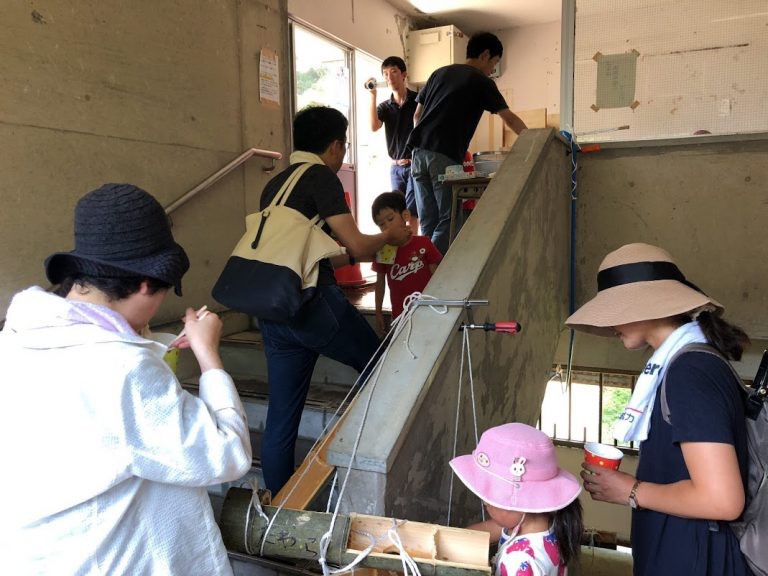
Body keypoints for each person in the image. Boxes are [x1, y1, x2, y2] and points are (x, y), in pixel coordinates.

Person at [0, 183, 252, 575]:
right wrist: (209, 355)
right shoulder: (123, 370)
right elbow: (225, 453)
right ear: (145, 284)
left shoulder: (16, 339)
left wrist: (150, 342)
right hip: (116, 559)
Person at [566, 243, 750, 575]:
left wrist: (630, 490)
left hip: (698, 560)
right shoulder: (684, 364)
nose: (611, 325)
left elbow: (723, 499)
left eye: (616, 309)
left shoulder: (689, 372)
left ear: (648, 305)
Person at [257, 106, 411, 494]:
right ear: (333, 145)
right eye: (343, 145)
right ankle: (369, 469)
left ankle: (278, 508)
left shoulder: (274, 186)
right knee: (383, 369)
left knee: (281, 419)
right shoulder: (320, 177)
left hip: (275, 311)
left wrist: (366, 251)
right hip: (314, 306)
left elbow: (326, 255)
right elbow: (357, 244)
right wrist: (388, 238)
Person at [407, 32, 528, 254]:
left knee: (428, 220)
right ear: (485, 55)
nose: (492, 70)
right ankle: (436, 276)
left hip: (417, 154)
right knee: (449, 218)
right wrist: (534, 141)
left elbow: (416, 116)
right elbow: (509, 118)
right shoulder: (480, 81)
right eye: (494, 63)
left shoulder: (439, 73)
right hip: (443, 154)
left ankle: (424, 275)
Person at [450, 423, 584, 576]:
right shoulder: (548, 524)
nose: (484, 503)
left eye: (488, 500)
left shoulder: (518, 561)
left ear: (517, 503)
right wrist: (449, 538)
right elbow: (489, 529)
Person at [370, 191, 442, 334]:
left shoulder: (424, 243)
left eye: (390, 219)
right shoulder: (383, 251)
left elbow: (438, 277)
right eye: (381, 224)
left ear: (405, 216)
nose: (386, 227)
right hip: (400, 317)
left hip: (429, 311)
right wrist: (378, 311)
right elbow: (380, 283)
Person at [367, 56, 420, 232]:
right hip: (395, 167)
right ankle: (401, 244)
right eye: (385, 73)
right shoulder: (385, 106)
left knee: (412, 211)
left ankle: (412, 248)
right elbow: (374, 126)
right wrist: (372, 96)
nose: (389, 77)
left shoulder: (417, 100)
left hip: (414, 163)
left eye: (394, 72)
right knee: (397, 210)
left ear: (404, 74)